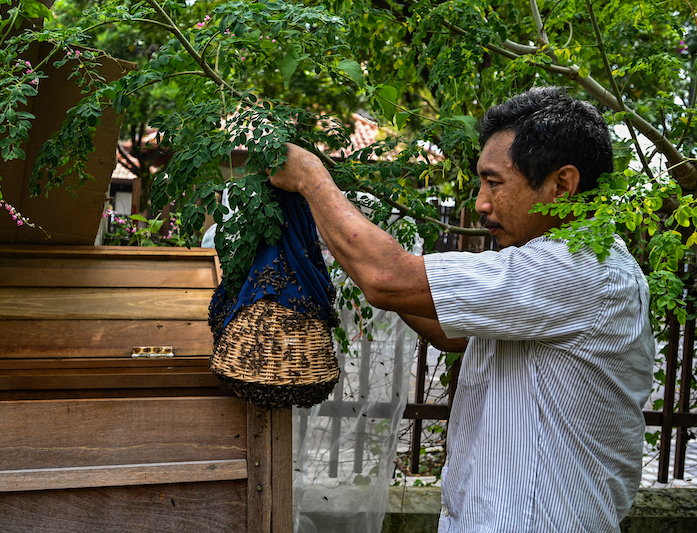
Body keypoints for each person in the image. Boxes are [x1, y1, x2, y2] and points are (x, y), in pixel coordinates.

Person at [268, 87, 655, 532]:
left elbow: (386, 278)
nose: (481, 203)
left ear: (561, 184)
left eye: (494, 183)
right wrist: (357, 262)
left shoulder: (580, 267)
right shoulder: (553, 264)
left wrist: (310, 178)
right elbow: (457, 335)